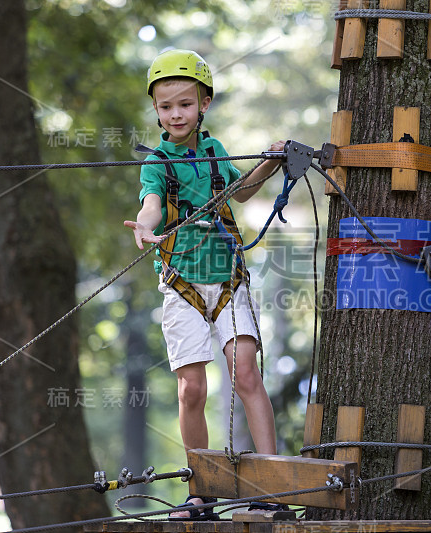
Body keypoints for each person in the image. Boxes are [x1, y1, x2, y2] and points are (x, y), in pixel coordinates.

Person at [124, 49, 286, 520]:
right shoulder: (156, 162)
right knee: (191, 389)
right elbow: (152, 201)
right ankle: (200, 489)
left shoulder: (216, 152)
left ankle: (270, 480)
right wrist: (144, 225)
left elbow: (240, 191)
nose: (175, 114)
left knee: (246, 373)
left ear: (205, 104)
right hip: (182, 288)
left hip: (228, 281)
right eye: (165, 106)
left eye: (185, 104)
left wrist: (271, 162)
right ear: (156, 110)